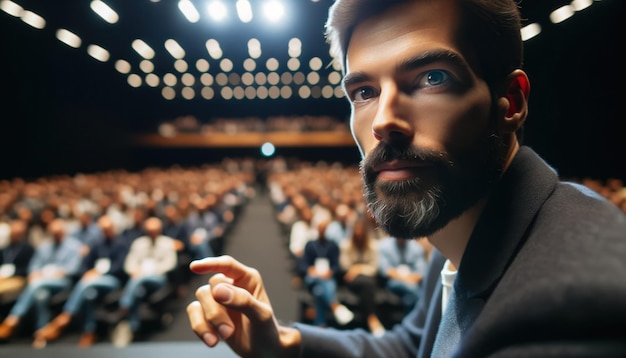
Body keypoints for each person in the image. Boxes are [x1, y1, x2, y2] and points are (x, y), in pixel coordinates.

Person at [186, 0, 626, 357]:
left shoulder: (569, 309)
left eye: (431, 78)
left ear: (509, 102)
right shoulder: (460, 223)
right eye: (364, 92)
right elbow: (415, 345)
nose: (383, 121)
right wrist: (286, 344)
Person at [32, 215, 130, 347]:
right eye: (103, 229)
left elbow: (120, 267)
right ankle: (89, 331)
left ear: (113, 228)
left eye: (108, 229)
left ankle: (66, 315)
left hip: (112, 280)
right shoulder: (97, 245)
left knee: (87, 283)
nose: (106, 232)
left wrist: (99, 273)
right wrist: (88, 273)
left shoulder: (121, 244)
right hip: (92, 282)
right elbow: (85, 265)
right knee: (89, 295)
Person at [0, 218, 82, 342]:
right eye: (53, 233)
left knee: (36, 284)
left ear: (63, 232)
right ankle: (41, 331)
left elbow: (73, 269)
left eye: (58, 232)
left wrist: (57, 273)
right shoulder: (45, 246)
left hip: (63, 282)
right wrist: (34, 273)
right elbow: (35, 265)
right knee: (40, 296)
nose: (56, 235)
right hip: (42, 282)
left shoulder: (74, 246)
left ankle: (13, 319)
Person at [111, 216, 177, 347]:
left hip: (157, 279)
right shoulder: (139, 243)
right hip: (138, 279)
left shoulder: (167, 242)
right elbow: (129, 263)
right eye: (150, 230)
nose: (152, 233)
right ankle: (133, 326)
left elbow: (170, 264)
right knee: (138, 291)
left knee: (139, 280)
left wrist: (151, 271)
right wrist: (134, 271)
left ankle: (124, 306)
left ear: (160, 230)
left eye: (155, 230)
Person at [298, 219, 353, 327]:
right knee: (320, 281)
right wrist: (311, 270)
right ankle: (335, 306)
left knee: (318, 292)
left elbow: (336, 265)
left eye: (324, 228)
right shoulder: (310, 245)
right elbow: (303, 264)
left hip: (327, 277)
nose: (322, 230)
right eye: (320, 228)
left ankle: (321, 323)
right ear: (317, 229)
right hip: (313, 277)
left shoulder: (332, 245)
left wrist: (330, 272)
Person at [338, 218, 384, 336]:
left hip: (367, 279)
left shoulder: (373, 246)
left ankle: (369, 317)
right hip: (353, 281)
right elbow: (345, 267)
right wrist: (358, 270)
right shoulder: (346, 246)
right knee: (366, 283)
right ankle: (372, 318)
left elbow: (374, 268)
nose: (358, 237)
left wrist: (357, 269)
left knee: (367, 283)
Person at [377, 235, 428, 313]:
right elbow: (385, 270)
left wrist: (409, 279)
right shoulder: (385, 246)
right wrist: (405, 279)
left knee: (409, 299)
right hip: (394, 282)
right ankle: (424, 309)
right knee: (413, 289)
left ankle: (409, 320)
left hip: (413, 281)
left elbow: (421, 273)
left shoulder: (416, 248)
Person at [0, 220, 35, 304]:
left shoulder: (28, 249)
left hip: (18, 278)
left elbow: (29, 269)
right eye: (13, 233)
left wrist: (13, 272)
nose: (14, 235)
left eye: (17, 233)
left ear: (22, 234)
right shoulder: (5, 249)